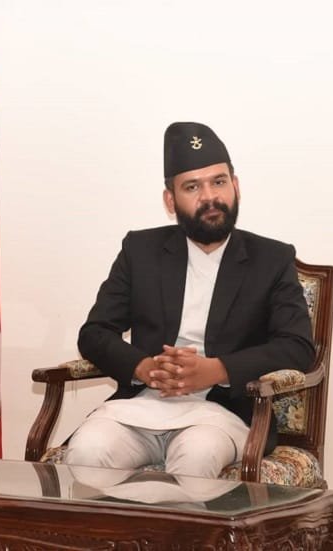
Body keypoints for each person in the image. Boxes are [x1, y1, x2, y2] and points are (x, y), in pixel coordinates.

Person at [65, 121, 315, 479]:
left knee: (197, 454)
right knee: (88, 450)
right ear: (171, 200)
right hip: (142, 408)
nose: (209, 197)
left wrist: (217, 370)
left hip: (222, 414)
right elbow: (94, 334)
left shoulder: (271, 259)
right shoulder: (141, 251)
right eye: (192, 187)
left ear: (236, 186)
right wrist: (144, 367)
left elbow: (297, 346)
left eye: (219, 182)